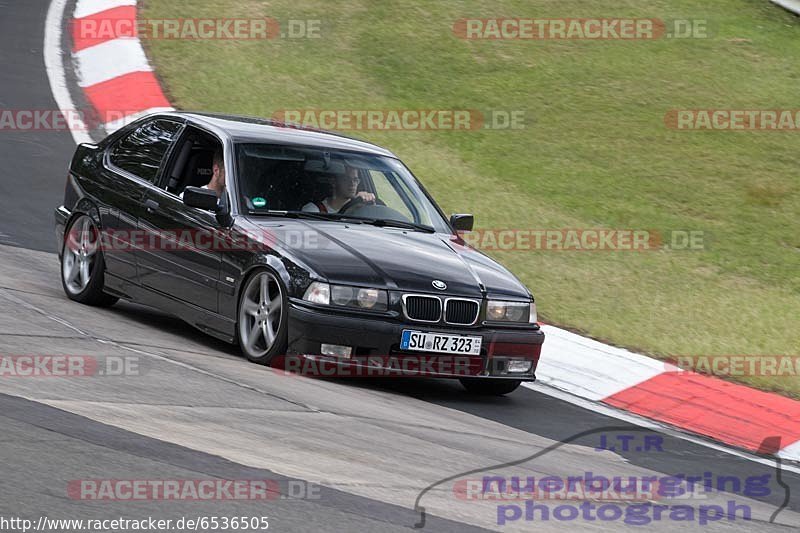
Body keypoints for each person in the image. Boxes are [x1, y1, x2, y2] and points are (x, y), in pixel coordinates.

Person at [302, 165, 375, 213]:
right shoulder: (313, 210)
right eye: (346, 179)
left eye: (355, 180)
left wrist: (368, 201)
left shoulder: (361, 208)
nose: (352, 184)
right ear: (334, 182)